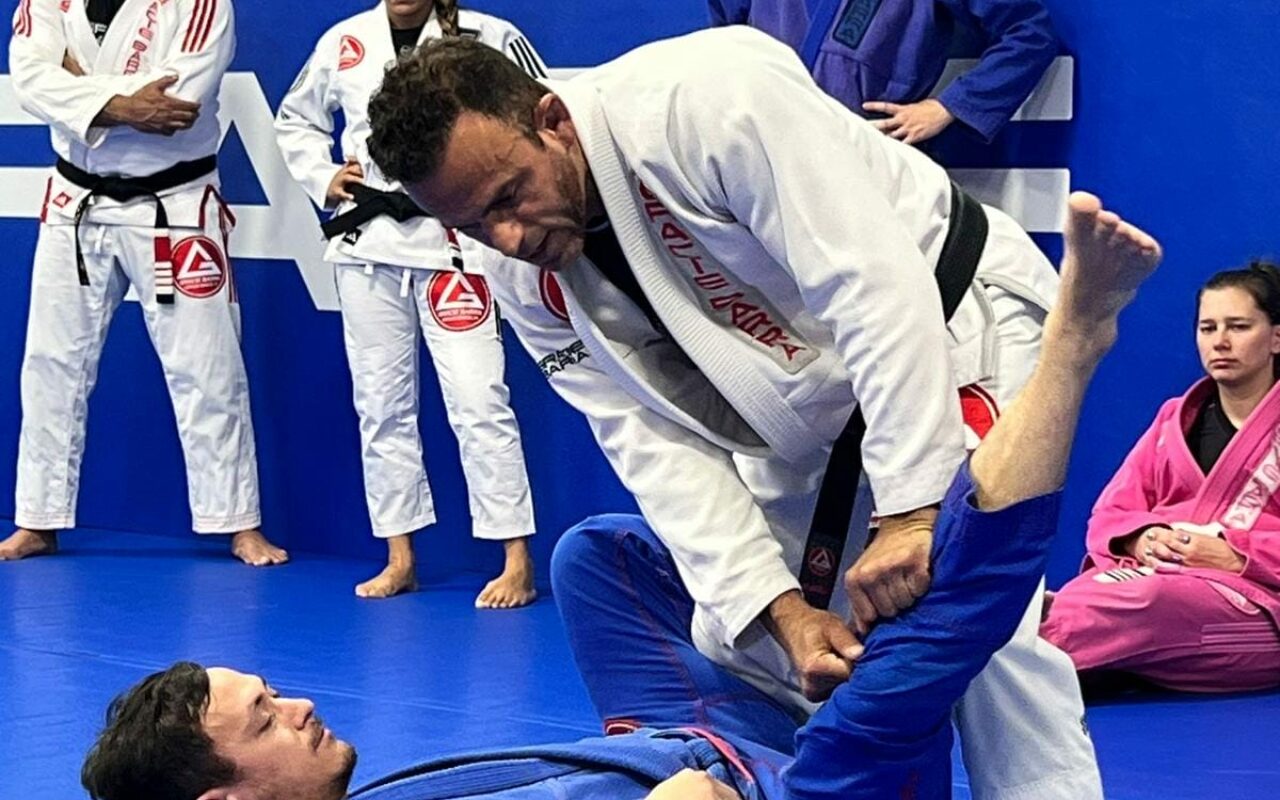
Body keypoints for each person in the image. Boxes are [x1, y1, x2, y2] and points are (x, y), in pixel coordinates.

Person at [77, 198, 1163, 799]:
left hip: (692, 737)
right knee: (950, 598)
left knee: (594, 553)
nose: (300, 700)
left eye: (270, 689)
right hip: (796, 785)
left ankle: (768, 688)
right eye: (266, 716)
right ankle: (1073, 337)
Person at [366, 28, 1097, 799]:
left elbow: (876, 288)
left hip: (952, 327)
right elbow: (651, 441)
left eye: (510, 197)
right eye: (473, 225)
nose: (506, 238)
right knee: (755, 640)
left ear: (551, 118)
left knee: (972, 611)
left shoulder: (704, 102)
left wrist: (912, 510)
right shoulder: (521, 275)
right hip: (800, 420)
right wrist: (782, 611)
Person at [273, 0, 544, 603]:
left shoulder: (488, 35)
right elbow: (294, 120)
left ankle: (515, 558)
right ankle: (399, 555)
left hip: (456, 244)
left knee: (479, 400)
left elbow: (540, 110)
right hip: (368, 243)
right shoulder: (345, 40)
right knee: (381, 404)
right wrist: (324, 176)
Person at [2, 0, 286, 565]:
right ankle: (37, 518)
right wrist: (121, 103)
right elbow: (30, 77)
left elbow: (177, 102)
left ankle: (237, 522)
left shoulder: (201, 4)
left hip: (175, 202)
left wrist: (86, 92)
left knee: (207, 367)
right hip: (74, 200)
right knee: (50, 363)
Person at [1041, 262, 1280, 693]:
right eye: (1207, 328)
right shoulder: (1174, 421)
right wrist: (1142, 537)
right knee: (1089, 595)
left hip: (1257, 605)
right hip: (1158, 579)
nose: (1220, 342)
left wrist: (1236, 554)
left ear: (1277, 337)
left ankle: (1006, 657)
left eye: (1239, 326)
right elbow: (1111, 513)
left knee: (1142, 604)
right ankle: (1026, 643)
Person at [708, 0, 1059, 145]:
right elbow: (729, 44)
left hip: (868, 153)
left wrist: (948, 106)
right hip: (764, 147)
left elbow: (1029, 34)